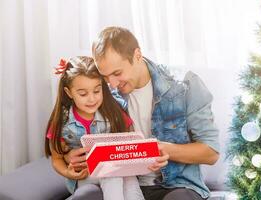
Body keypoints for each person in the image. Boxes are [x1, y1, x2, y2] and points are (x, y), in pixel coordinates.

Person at [67, 26, 220, 200]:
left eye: (117, 73)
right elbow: (73, 126)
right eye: (105, 76)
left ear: (137, 55)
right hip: (123, 184)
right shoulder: (102, 93)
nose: (113, 84)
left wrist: (162, 149)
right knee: (85, 196)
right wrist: (71, 157)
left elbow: (211, 152)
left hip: (175, 186)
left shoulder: (184, 86)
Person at [44, 56, 145, 200]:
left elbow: (130, 144)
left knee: (130, 180)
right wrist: (68, 173)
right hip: (85, 176)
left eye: (97, 91)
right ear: (69, 93)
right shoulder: (63, 122)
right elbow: (57, 159)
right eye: (83, 94)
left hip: (118, 170)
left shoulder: (113, 112)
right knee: (112, 175)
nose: (92, 99)